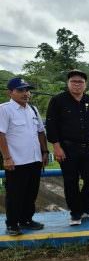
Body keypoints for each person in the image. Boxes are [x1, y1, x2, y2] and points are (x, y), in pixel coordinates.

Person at [46, 70, 89, 226]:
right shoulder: (58, 101)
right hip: (67, 148)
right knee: (71, 181)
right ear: (68, 83)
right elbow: (51, 125)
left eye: (80, 82)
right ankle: (76, 212)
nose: (77, 84)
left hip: (88, 148)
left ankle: (87, 206)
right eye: (74, 81)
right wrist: (56, 147)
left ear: (85, 84)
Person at [0, 78, 48, 235]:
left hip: (34, 159)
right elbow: (1, 134)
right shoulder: (4, 109)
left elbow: (40, 131)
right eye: (20, 90)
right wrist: (7, 158)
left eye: (27, 90)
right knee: (15, 195)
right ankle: (12, 224)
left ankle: (26, 220)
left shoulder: (32, 109)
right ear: (10, 92)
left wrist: (44, 152)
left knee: (31, 193)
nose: (26, 93)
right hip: (17, 161)